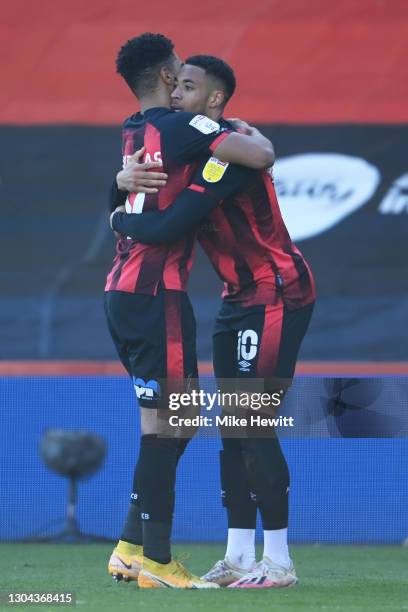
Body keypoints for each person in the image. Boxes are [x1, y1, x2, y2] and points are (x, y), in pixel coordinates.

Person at [112, 55, 316, 589]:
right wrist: (119, 181)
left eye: (188, 86)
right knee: (231, 428)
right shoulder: (195, 145)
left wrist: (116, 215)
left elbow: (174, 220)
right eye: (174, 83)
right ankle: (238, 556)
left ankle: (279, 562)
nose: (176, 93)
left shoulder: (226, 153)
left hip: (276, 291)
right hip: (237, 297)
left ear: (215, 100)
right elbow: (143, 180)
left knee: (251, 424)